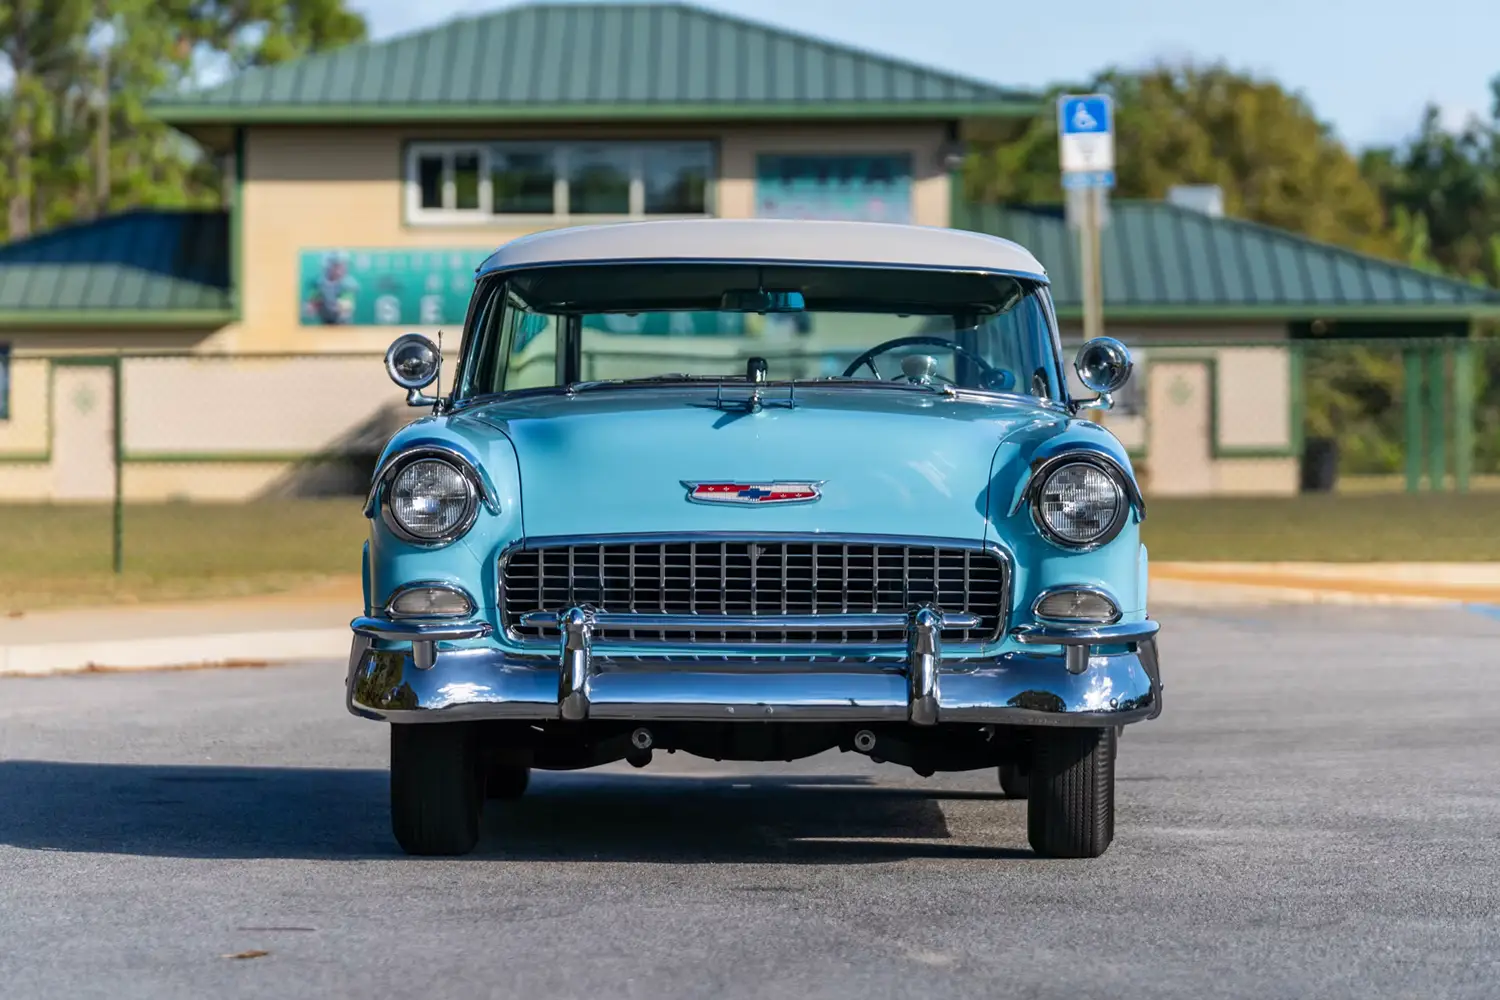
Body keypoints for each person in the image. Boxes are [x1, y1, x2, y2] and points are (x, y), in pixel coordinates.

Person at [303, 251, 360, 325]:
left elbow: (346, 304)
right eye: (336, 266)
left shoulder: (349, 284)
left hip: (343, 324)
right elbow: (313, 303)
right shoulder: (317, 283)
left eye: (344, 266)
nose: (340, 271)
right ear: (327, 266)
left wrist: (343, 309)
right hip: (325, 320)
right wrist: (311, 307)